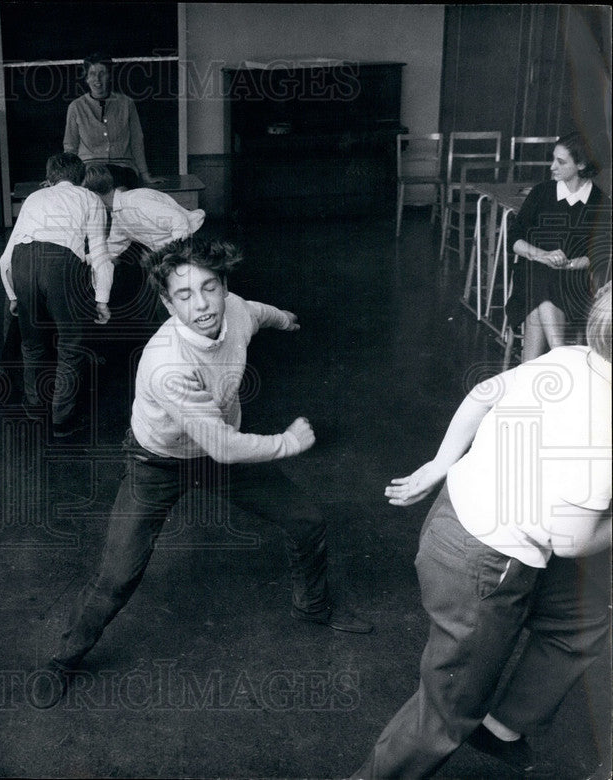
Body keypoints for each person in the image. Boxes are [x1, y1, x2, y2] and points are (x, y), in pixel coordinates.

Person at [33, 237, 373, 708]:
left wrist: (284, 318)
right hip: (159, 463)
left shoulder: (233, 309)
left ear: (223, 285)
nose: (203, 305)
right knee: (116, 577)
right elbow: (224, 447)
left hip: (217, 450)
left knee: (306, 519)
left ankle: (313, 606)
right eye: (185, 296)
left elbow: (255, 310)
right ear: (168, 303)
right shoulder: (167, 362)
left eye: (209, 288)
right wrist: (287, 443)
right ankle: (63, 659)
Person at [354, 284, 611, 778]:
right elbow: (572, 541)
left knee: (580, 617)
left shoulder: (572, 357)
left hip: (457, 518)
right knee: (444, 715)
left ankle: (503, 725)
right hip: (487, 567)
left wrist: (438, 464)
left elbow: (482, 393)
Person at [0, 152, 114, 437]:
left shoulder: (33, 199)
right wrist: (102, 300)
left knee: (32, 343)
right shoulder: (90, 199)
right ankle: (62, 419)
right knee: (71, 346)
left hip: (23, 260)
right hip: (60, 262)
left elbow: (4, 259)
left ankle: (34, 408)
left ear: (50, 177)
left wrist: (13, 295)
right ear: (81, 177)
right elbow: (100, 256)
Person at [506, 131, 611, 362]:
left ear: (581, 164)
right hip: (533, 274)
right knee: (542, 277)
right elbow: (514, 239)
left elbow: (601, 254)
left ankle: (536, 365)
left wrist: (572, 264)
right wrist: (543, 255)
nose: (552, 166)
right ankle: (560, 355)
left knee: (541, 291)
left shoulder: (601, 203)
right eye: (553, 158)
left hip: (576, 285)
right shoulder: (541, 193)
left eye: (560, 161)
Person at [83, 163, 205, 320]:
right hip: (169, 256)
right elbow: (112, 248)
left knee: (189, 304)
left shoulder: (136, 201)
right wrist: (82, 256)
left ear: (94, 195)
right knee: (171, 309)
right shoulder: (118, 215)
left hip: (191, 245)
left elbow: (178, 220)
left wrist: (177, 260)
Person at [63, 51, 160, 190]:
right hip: (89, 170)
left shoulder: (127, 103)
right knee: (88, 191)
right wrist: (64, 179)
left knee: (120, 192)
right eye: (92, 74)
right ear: (86, 78)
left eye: (103, 73)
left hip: (122, 169)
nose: (97, 79)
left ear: (110, 76)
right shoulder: (76, 107)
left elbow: (137, 141)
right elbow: (70, 147)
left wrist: (145, 174)